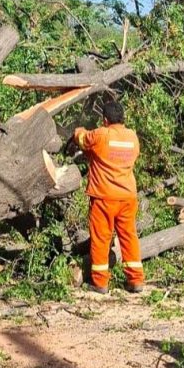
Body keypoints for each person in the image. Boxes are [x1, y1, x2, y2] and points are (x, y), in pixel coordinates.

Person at [72, 98, 144, 294]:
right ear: (122, 118)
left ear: (105, 120)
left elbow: (82, 139)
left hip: (104, 198)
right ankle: (136, 280)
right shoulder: (132, 137)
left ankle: (100, 283)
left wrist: (77, 130)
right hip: (127, 197)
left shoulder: (101, 135)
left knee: (101, 239)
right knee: (129, 237)